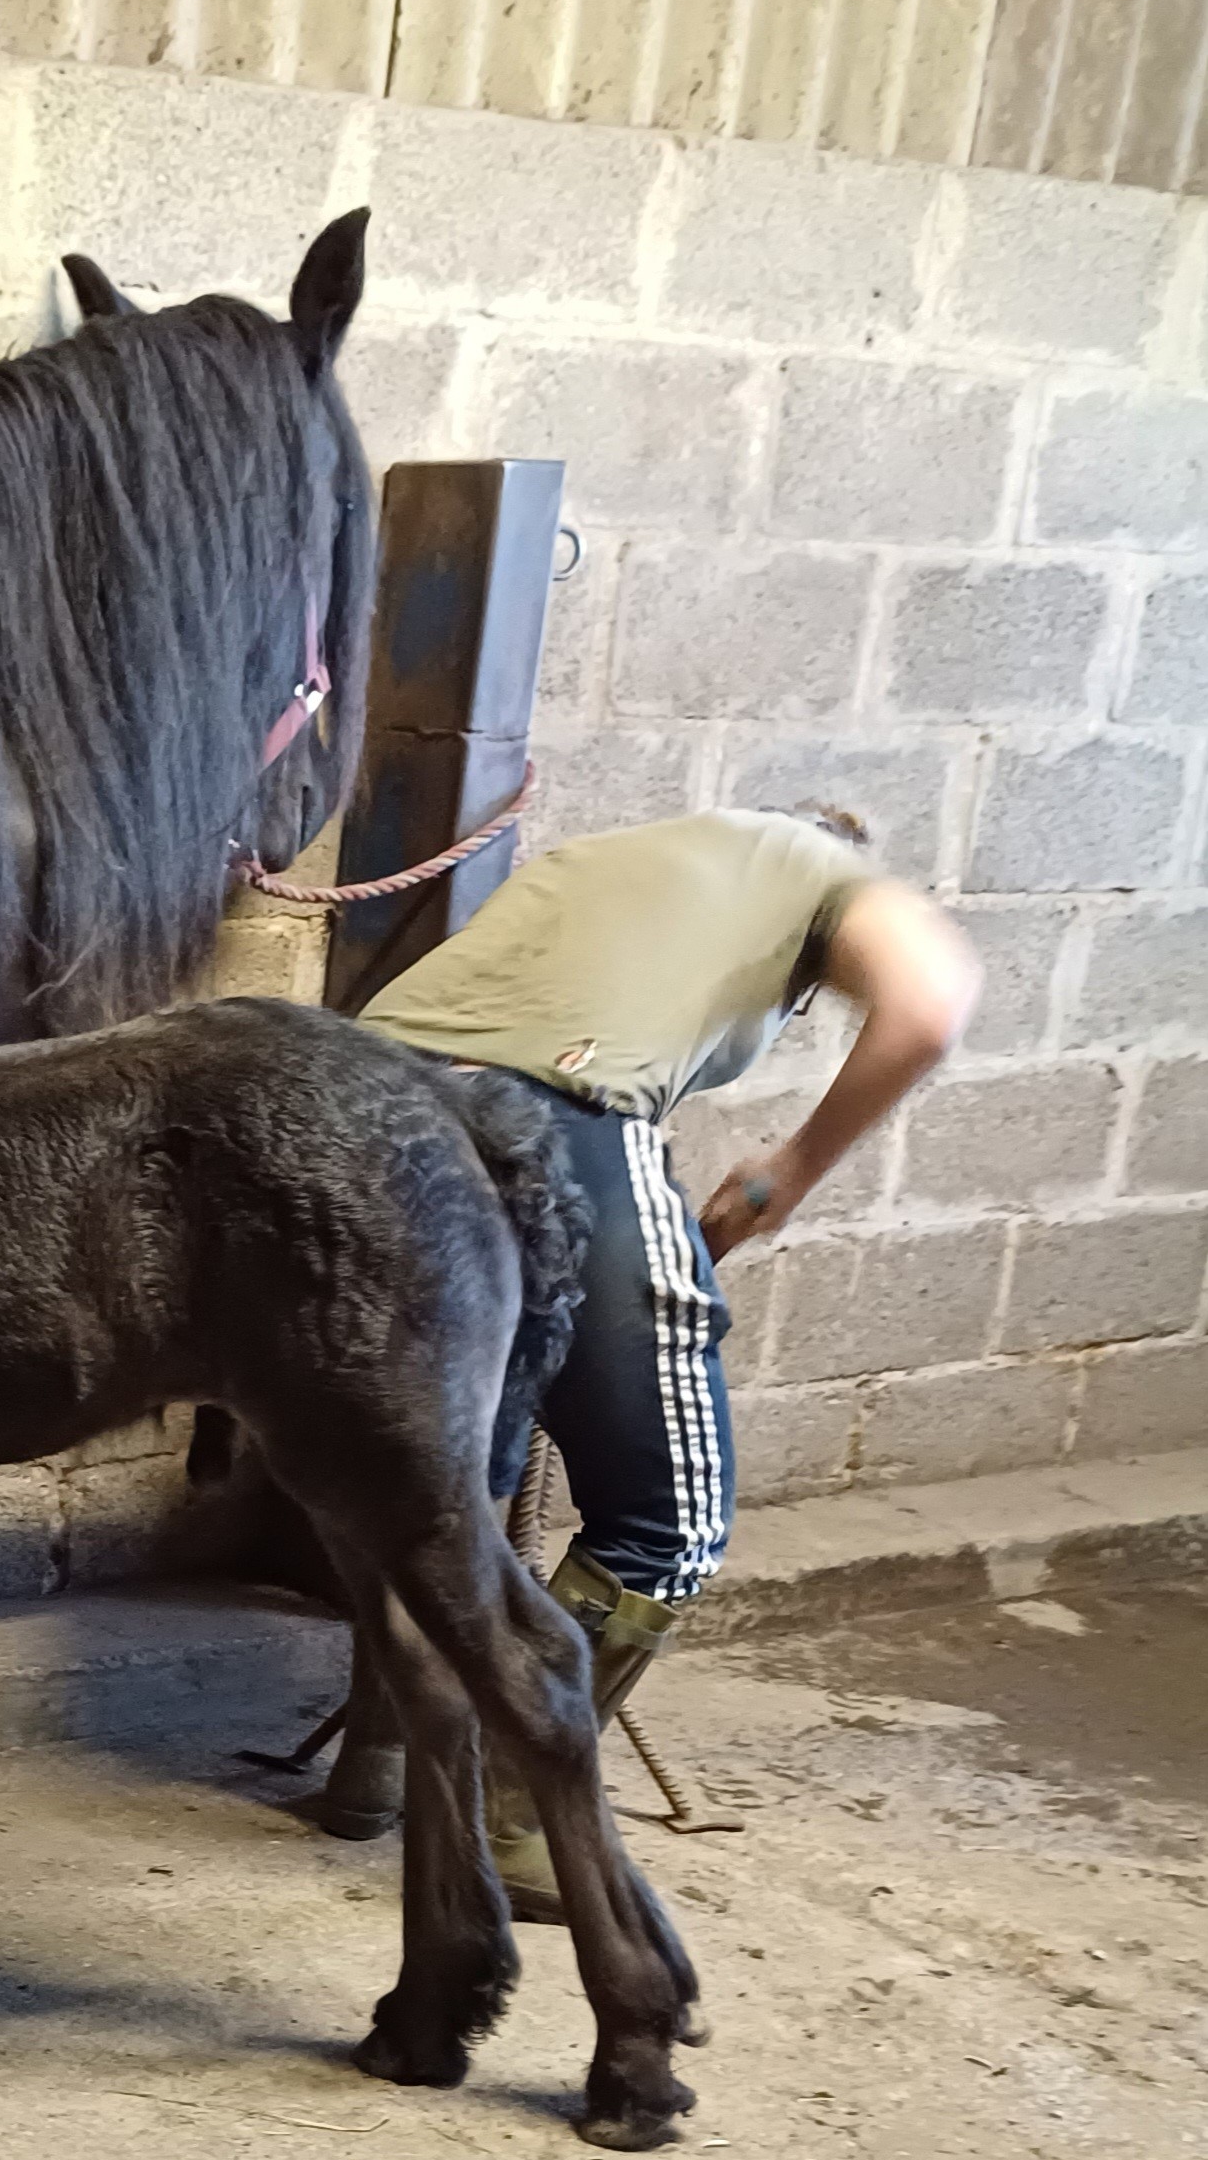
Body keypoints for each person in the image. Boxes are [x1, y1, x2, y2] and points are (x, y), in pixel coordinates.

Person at [319, 802, 984, 1909]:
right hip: (553, 1108)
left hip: (347, 1107)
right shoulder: (830, 873)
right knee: (671, 1514)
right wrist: (790, 1169)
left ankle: (378, 1772)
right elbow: (927, 1008)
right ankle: (512, 1809)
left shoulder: (612, 859)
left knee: (442, 1488)